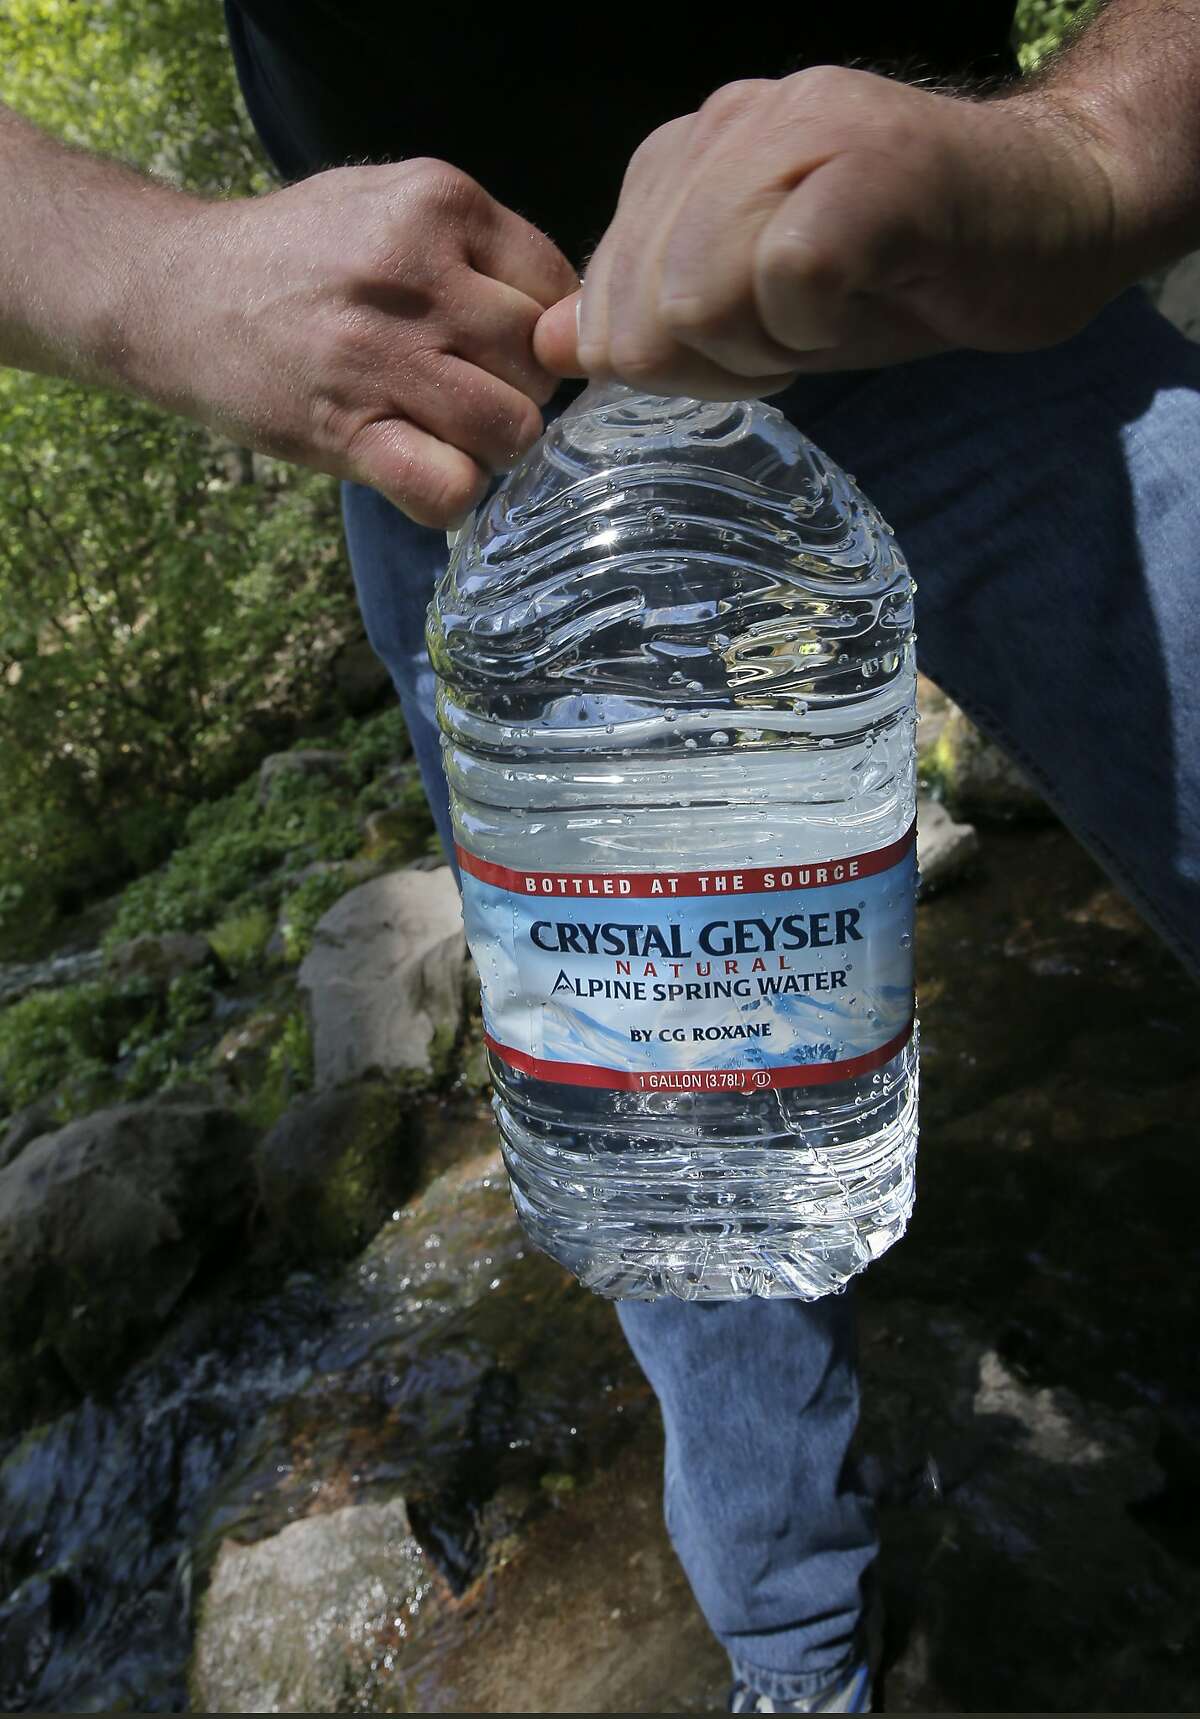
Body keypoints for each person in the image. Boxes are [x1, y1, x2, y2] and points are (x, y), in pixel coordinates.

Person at [2, 2, 1198, 1708]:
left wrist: (1086, 155)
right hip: (482, 441)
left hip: (976, 279)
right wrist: (148, 275)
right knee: (686, 1192)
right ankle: (800, 1656)